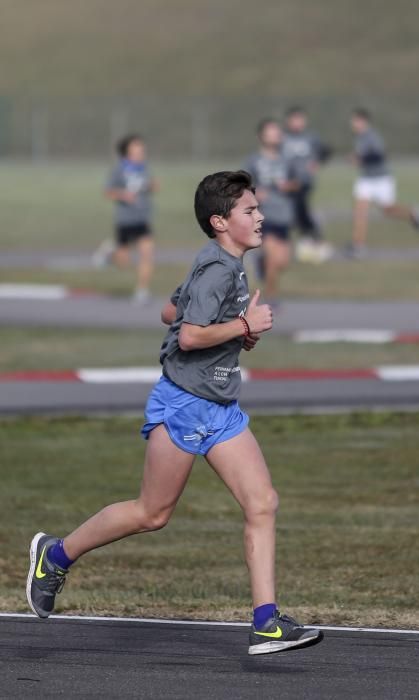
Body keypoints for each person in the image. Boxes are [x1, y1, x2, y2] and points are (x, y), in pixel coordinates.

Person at [26, 170, 323, 656]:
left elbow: (170, 313)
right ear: (220, 221)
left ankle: (267, 622)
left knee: (262, 502)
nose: (261, 216)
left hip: (221, 406)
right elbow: (186, 335)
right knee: (152, 513)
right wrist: (244, 323)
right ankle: (55, 556)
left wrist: (233, 330)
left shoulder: (220, 261)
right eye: (250, 210)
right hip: (185, 403)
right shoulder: (218, 269)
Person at [348, 108, 419, 258]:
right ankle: (358, 246)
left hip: (381, 179)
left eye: (355, 120)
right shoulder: (359, 137)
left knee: (388, 210)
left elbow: (379, 155)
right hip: (366, 179)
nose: (353, 123)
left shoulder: (372, 136)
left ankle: (413, 214)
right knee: (360, 211)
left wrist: (360, 160)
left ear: (364, 121)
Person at [94, 134, 158, 303]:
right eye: (137, 148)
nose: (141, 151)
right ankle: (110, 253)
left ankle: (142, 290)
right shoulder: (119, 169)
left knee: (147, 253)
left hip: (142, 219)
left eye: (142, 148)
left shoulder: (144, 167)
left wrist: (152, 185)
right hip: (125, 220)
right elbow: (107, 191)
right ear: (127, 151)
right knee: (123, 261)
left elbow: (151, 184)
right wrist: (123, 195)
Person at [244, 119, 298, 302]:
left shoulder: (287, 160)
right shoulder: (254, 161)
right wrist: (255, 192)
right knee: (273, 260)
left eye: (278, 131)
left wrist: (288, 186)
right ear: (261, 136)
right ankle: (271, 298)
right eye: (271, 132)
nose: (276, 135)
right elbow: (240, 186)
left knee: (283, 262)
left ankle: (260, 263)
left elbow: (299, 183)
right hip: (263, 216)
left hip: (284, 215)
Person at [282, 106, 334, 264]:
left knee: (299, 208)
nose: (297, 123)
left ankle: (313, 237)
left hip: (304, 181)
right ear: (288, 121)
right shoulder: (283, 138)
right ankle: (308, 236)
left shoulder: (311, 138)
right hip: (287, 182)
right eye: (294, 120)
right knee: (294, 212)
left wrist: (316, 162)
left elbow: (326, 150)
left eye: (300, 119)